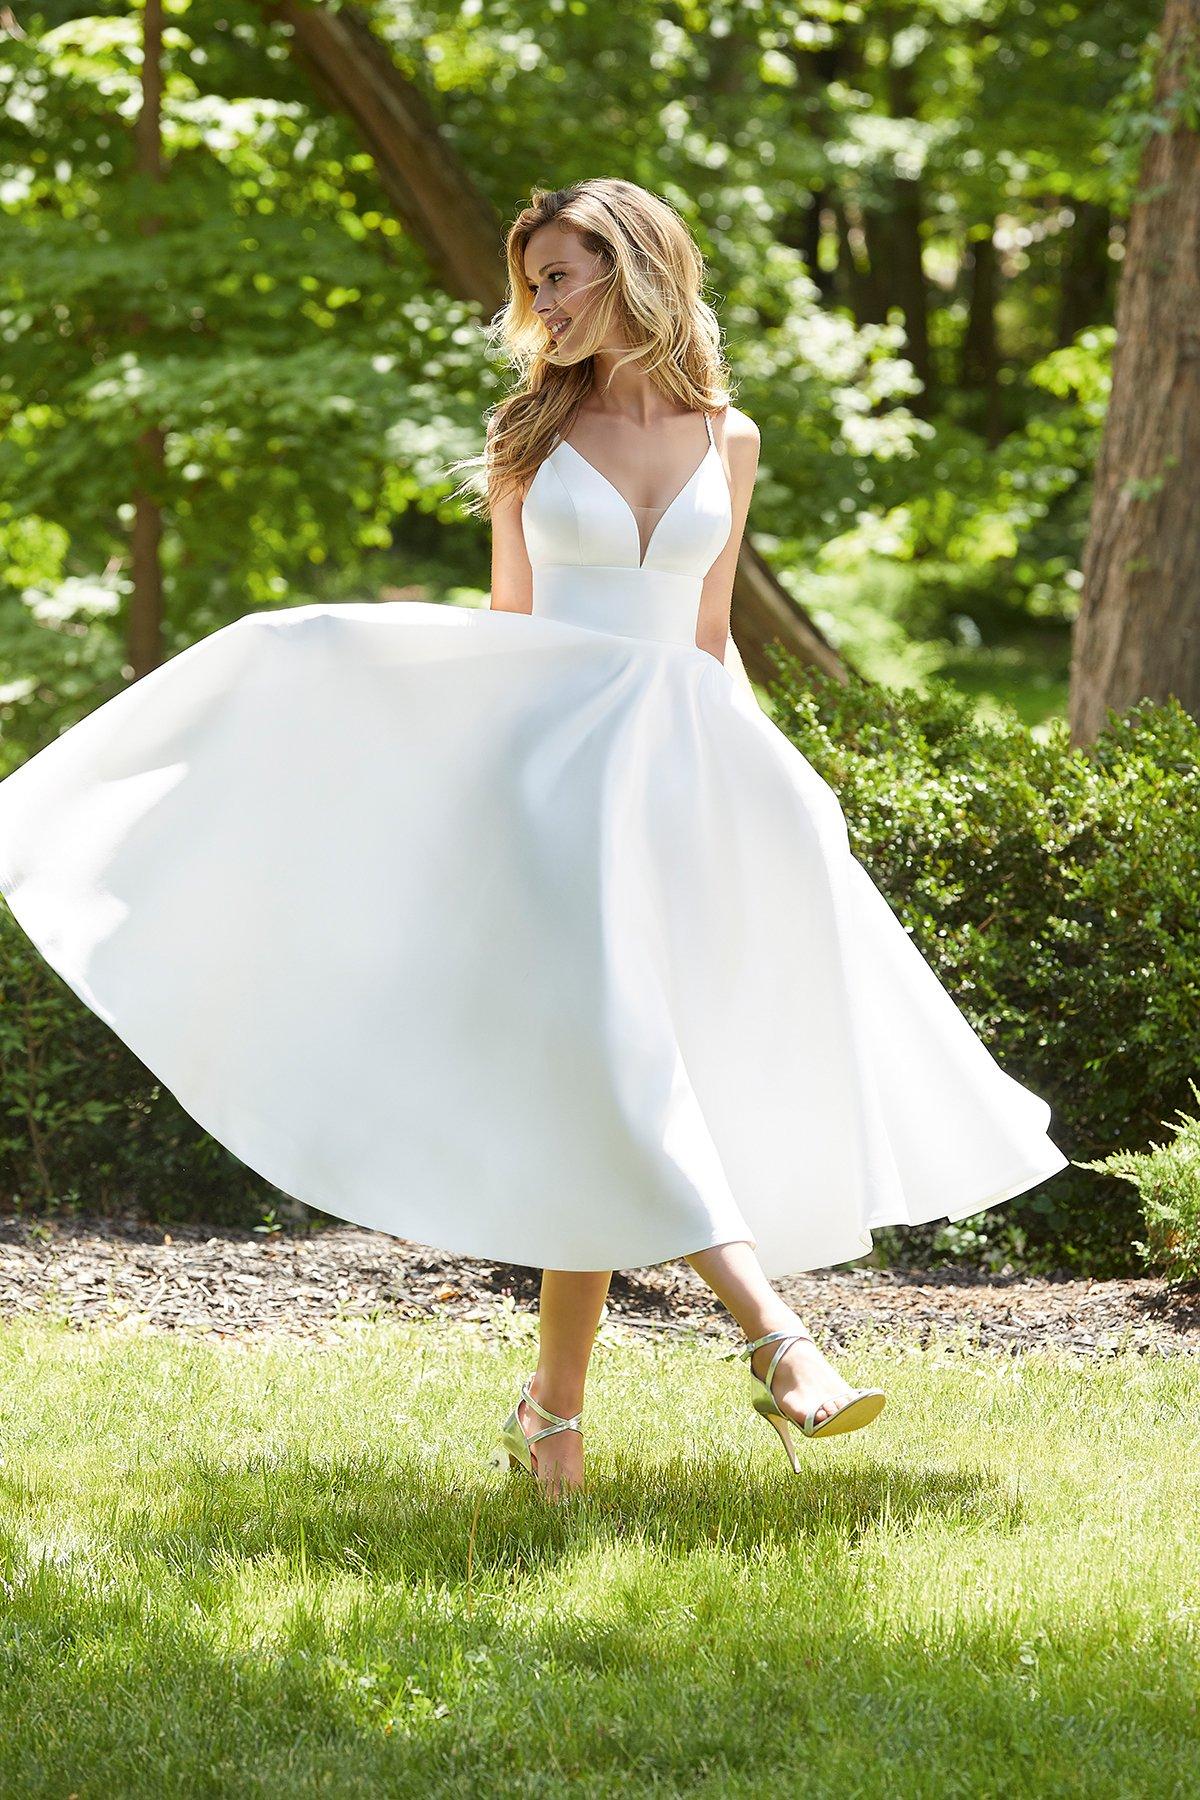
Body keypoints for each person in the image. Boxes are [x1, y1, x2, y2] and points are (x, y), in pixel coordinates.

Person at [0, 178, 1067, 1501]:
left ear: (635, 272)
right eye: (536, 284)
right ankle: (781, 1344)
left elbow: (707, 638)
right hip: (549, 782)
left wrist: (783, 783)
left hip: (681, 775)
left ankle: (550, 1416)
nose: (542, 308)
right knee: (618, 1055)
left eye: (563, 278)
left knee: (608, 1077)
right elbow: (512, 628)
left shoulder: (727, 436)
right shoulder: (527, 434)